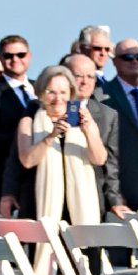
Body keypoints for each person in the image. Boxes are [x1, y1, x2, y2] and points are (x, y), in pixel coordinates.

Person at [19, 65, 106, 228]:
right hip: (40, 205)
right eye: (51, 92)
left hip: (82, 208)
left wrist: (87, 130)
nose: (58, 98)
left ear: (71, 94)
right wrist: (51, 136)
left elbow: (100, 159)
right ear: (40, 94)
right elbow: (27, 161)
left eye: (63, 93)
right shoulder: (29, 122)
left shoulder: (85, 119)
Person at [61, 54, 128, 215]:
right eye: (78, 76)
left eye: (90, 76)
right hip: (53, 194)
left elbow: (111, 166)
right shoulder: (45, 108)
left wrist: (115, 201)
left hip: (89, 197)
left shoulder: (108, 115)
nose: (85, 81)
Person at [96, 38, 138, 210]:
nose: (134, 61)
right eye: (127, 57)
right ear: (115, 61)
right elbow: (104, 150)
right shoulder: (102, 96)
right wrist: (114, 194)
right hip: (126, 188)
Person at [0, 35, 39, 215]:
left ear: (29, 56)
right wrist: (23, 139)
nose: (15, 60)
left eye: (20, 54)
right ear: (1, 58)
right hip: (6, 175)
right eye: (8, 56)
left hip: (38, 174)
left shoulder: (39, 88)